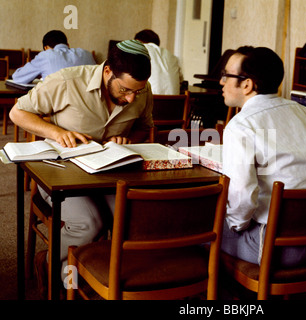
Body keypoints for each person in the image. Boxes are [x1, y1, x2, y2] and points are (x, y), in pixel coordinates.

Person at [9, 39, 153, 298]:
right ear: (108, 71)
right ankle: (52, 262)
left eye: (137, 92)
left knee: (133, 217)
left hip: (108, 173)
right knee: (89, 223)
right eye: (124, 90)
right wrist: (55, 132)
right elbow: (17, 114)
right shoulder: (66, 82)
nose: (131, 98)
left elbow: (144, 126)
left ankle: (69, 273)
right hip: (59, 172)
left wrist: (127, 140)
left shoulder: (142, 90)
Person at [219, 46, 306, 267]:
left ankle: (234, 297)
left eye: (226, 76)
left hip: (276, 248)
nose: (221, 82)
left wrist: (236, 225)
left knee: (199, 231)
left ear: (247, 84)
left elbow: (242, 195)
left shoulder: (241, 125)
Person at [12, 30, 96, 84]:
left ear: (46, 48)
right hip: (90, 107)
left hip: (56, 107)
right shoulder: (87, 54)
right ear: (67, 45)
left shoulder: (46, 55)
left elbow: (17, 77)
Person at [135, 29, 183, 95]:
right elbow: (180, 80)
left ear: (139, 42)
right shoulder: (171, 56)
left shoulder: (142, 50)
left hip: (151, 102)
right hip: (174, 103)